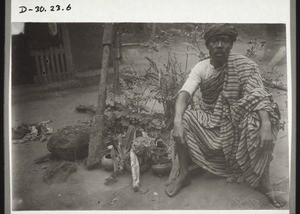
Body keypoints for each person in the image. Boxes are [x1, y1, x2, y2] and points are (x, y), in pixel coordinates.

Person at [164, 24, 286, 208]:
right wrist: (177, 121)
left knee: (258, 121)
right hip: (211, 121)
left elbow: (258, 95)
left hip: (236, 121)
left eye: (225, 41)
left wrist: (266, 124)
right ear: (208, 45)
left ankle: (264, 181)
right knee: (185, 118)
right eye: (215, 41)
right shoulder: (201, 68)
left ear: (231, 45)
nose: (220, 45)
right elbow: (184, 95)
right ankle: (184, 173)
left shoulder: (244, 65)